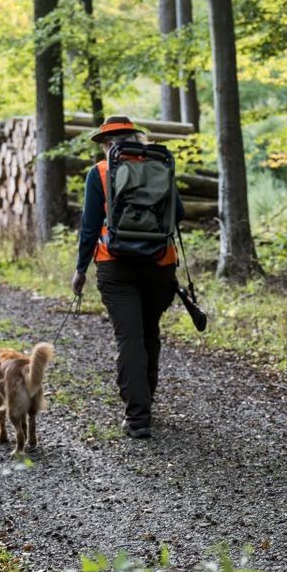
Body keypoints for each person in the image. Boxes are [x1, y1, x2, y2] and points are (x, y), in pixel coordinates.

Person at [71, 115, 185, 439]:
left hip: (115, 265)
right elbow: (178, 214)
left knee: (129, 339)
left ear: (109, 144)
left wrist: (80, 270)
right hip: (160, 264)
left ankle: (138, 418)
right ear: (137, 139)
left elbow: (90, 227)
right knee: (149, 332)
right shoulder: (159, 166)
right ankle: (145, 401)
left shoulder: (101, 172)